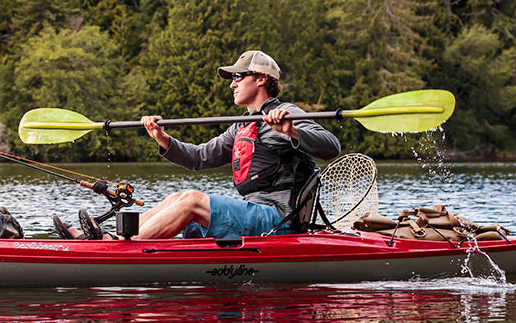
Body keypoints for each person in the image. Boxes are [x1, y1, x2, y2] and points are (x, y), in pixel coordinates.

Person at [54, 50, 341, 240]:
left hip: (278, 219)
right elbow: (199, 158)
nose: (232, 84)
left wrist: (292, 131)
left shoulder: (286, 113)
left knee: (192, 200)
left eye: (238, 77)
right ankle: (115, 237)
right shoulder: (242, 125)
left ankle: (119, 246)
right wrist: (162, 139)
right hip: (255, 212)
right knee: (177, 198)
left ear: (262, 79)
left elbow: (331, 147)